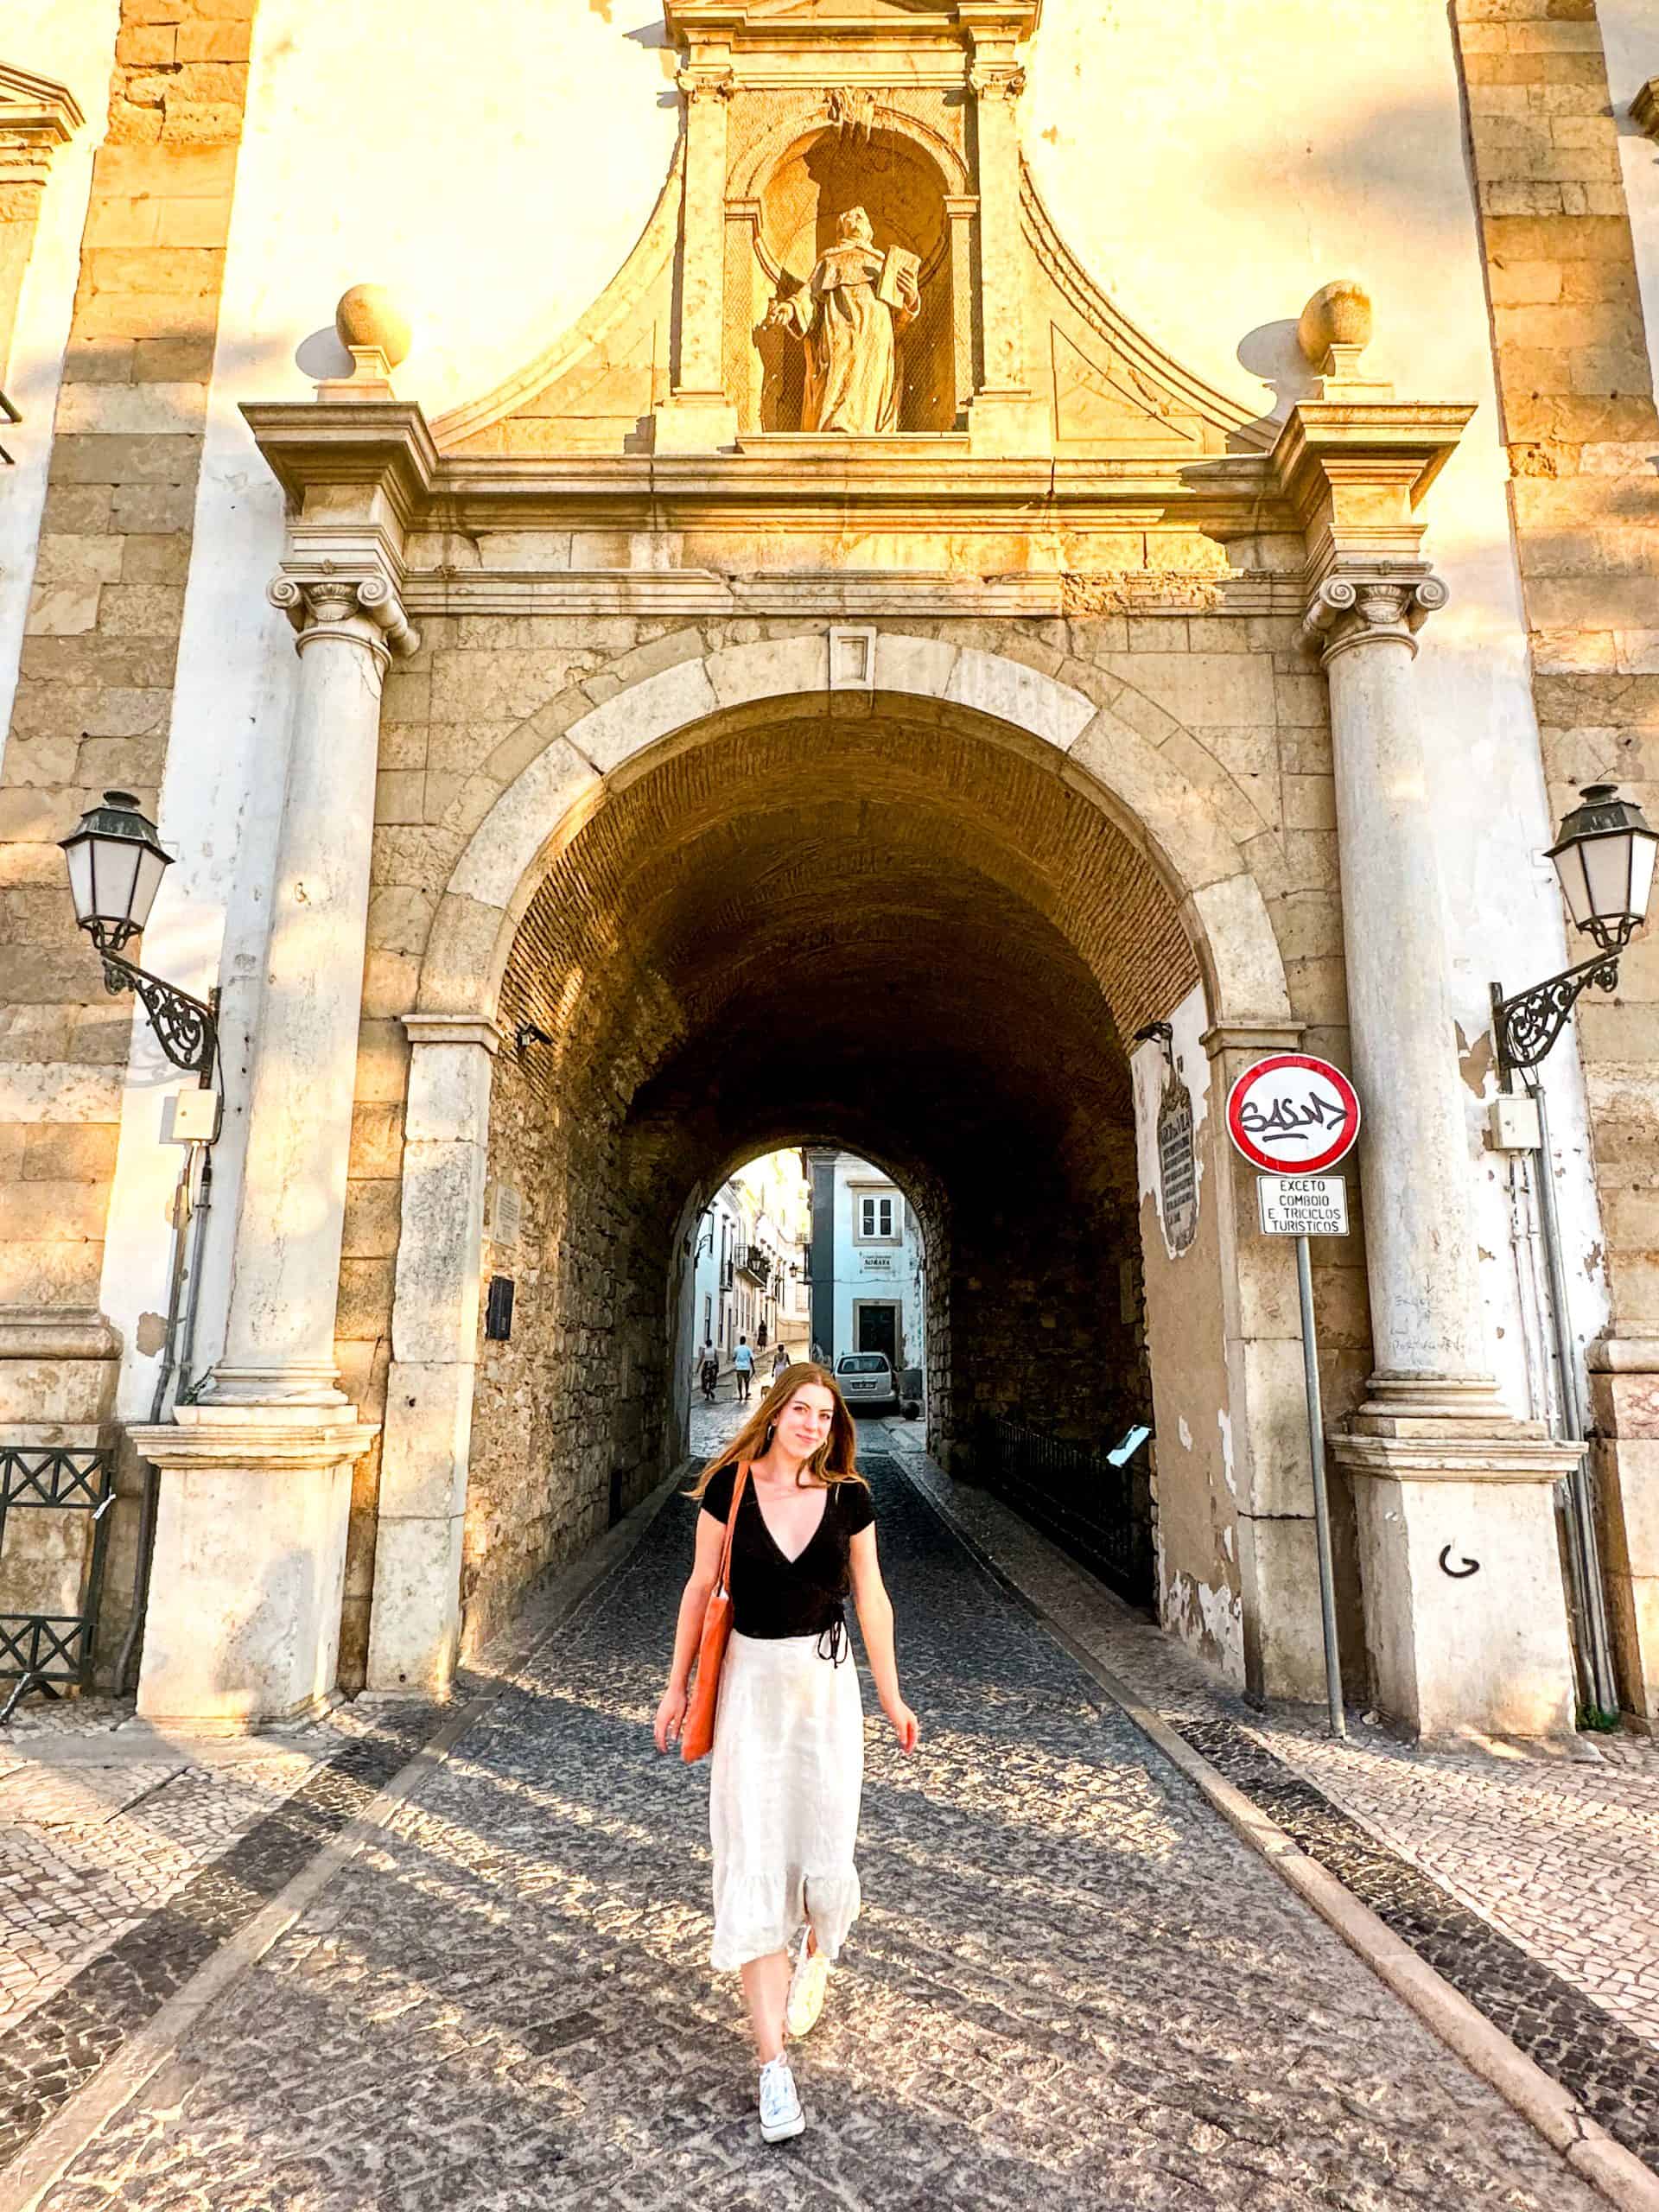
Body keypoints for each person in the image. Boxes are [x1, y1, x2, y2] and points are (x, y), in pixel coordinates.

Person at [655, 1364, 919, 2144]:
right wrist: (675, 1688)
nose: (811, 1423)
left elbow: (872, 1598)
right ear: (773, 1414)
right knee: (756, 1860)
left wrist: (892, 1696)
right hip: (750, 1697)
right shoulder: (728, 1490)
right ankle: (772, 2066)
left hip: (827, 1696)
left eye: (824, 1414)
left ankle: (816, 1952)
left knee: (824, 1850)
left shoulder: (851, 1498)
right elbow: (700, 1589)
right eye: (799, 1410)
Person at [763, 204, 920, 433]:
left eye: (861, 217)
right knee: (837, 370)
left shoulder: (882, 262)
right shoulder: (830, 260)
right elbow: (808, 294)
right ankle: (836, 425)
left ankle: (866, 428)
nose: (857, 219)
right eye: (851, 217)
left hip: (876, 329)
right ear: (841, 229)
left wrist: (912, 296)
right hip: (839, 324)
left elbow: (901, 320)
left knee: (870, 376)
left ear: (869, 230)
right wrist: (790, 308)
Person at [733, 1335, 754, 1401]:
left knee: (739, 1382)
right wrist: (753, 1368)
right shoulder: (748, 1349)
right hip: (746, 1368)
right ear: (745, 1341)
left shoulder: (736, 1349)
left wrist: (734, 1359)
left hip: (739, 1368)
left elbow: (733, 1358)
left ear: (740, 1341)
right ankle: (746, 1394)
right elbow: (751, 1359)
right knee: (746, 1382)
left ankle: (740, 1395)